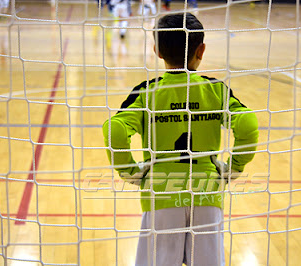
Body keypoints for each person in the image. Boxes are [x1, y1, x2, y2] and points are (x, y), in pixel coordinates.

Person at [102, 13, 259, 265]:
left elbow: (114, 130)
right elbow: (248, 123)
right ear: (201, 50)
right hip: (207, 192)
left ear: (157, 51)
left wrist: (129, 172)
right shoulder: (216, 89)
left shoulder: (147, 92)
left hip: (162, 192)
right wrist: (235, 168)